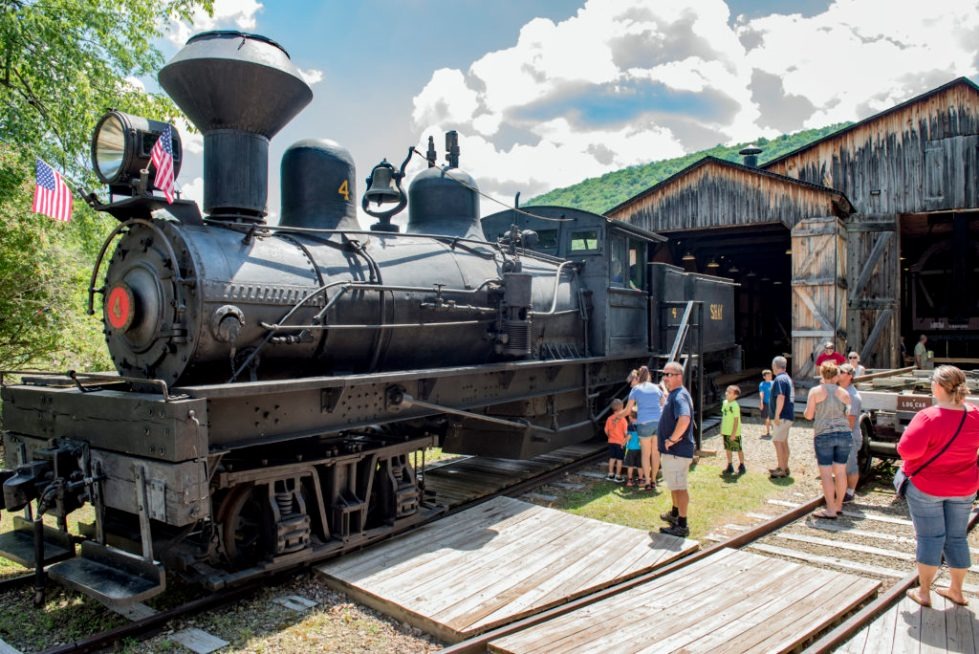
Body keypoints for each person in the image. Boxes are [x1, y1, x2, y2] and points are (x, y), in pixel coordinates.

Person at [900, 365, 979, 608]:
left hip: (928, 487)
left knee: (930, 538)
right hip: (964, 487)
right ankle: (957, 590)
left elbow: (906, 450)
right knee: (956, 537)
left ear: (937, 387)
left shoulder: (928, 416)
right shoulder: (975, 414)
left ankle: (924, 592)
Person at [803, 361, 853, 519]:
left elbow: (809, 415)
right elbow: (848, 415)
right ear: (836, 375)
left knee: (825, 474)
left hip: (824, 434)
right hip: (844, 434)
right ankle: (838, 506)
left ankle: (830, 508)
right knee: (840, 472)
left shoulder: (815, 391)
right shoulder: (844, 393)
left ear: (822, 374)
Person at [657, 361, 695, 538]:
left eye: (669, 375)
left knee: (679, 487)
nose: (665, 378)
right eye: (664, 374)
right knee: (674, 485)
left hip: (677, 452)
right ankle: (674, 513)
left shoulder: (679, 396)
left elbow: (685, 418)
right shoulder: (675, 394)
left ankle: (682, 524)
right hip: (673, 453)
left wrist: (671, 439)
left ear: (679, 376)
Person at [623, 366, 664, 491]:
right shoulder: (657, 388)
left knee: (646, 454)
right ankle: (653, 481)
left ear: (639, 377)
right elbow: (663, 404)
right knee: (656, 454)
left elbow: (628, 410)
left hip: (644, 423)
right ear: (649, 375)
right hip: (658, 422)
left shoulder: (636, 389)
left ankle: (646, 482)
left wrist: (618, 415)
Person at [838, 363, 863, 502]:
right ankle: (841, 489)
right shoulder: (839, 391)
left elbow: (851, 422)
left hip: (848, 435)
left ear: (850, 376)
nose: (838, 373)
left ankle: (850, 492)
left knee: (850, 465)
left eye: (841, 371)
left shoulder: (852, 396)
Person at [768, 356, 795, 479]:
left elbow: (781, 397)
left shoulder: (779, 379)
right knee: (783, 441)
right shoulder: (787, 378)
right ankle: (785, 466)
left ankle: (781, 468)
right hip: (788, 415)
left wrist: (777, 415)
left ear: (775, 366)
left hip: (782, 416)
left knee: (777, 441)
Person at [721, 385, 745, 475]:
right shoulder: (724, 403)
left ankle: (742, 464)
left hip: (734, 432)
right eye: (727, 391)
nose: (727, 393)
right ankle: (730, 465)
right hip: (726, 430)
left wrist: (734, 433)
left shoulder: (735, 405)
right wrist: (722, 429)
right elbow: (724, 416)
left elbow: (736, 420)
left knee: (738, 448)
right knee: (728, 448)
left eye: (730, 392)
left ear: (735, 396)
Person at [604, 398, 627, 482]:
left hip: (611, 442)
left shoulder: (609, 418)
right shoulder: (623, 420)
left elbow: (606, 430)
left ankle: (610, 474)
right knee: (619, 459)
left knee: (612, 458)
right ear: (622, 408)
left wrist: (609, 436)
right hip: (620, 443)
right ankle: (618, 476)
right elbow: (625, 432)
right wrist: (625, 439)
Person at [758, 369, 774, 438]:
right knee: (767, 418)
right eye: (768, 375)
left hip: (773, 403)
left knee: (772, 418)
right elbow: (761, 393)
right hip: (766, 403)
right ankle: (768, 432)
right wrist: (761, 402)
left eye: (770, 375)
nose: (770, 377)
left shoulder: (774, 383)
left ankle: (774, 430)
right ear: (764, 377)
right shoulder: (762, 384)